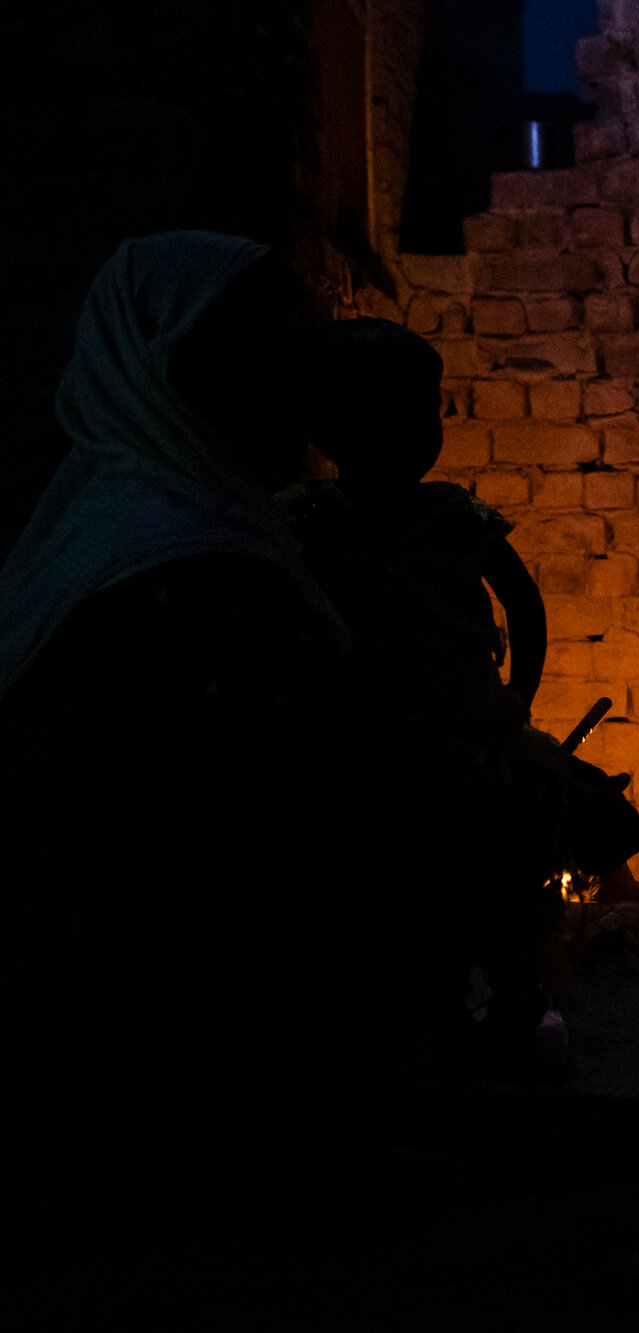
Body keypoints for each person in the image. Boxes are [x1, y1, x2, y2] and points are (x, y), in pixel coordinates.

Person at [0, 234, 564, 1214]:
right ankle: (267, 1134)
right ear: (172, 371)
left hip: (145, 927)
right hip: (136, 967)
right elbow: (290, 784)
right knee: (492, 830)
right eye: (262, 355)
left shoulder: (129, 513)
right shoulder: (183, 559)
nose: (297, 390)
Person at [285, 317, 639, 910]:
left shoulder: (454, 516)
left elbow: (524, 604)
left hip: (476, 719)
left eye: (425, 411)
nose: (415, 432)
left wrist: (518, 700)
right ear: (327, 426)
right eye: (391, 413)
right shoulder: (308, 522)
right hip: (371, 739)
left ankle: (615, 896)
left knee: (586, 801)